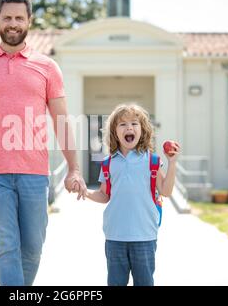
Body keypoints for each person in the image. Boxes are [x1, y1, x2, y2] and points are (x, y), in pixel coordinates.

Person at [0, 0, 87, 286]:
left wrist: (74, 167)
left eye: (19, 17)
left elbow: (61, 119)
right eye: (7, 18)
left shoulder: (47, 67)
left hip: (34, 172)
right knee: (7, 248)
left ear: (29, 21)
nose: (13, 23)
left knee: (32, 248)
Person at [74, 104, 180, 286]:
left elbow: (166, 191)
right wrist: (86, 192)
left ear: (143, 130)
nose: (129, 128)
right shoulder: (108, 163)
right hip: (115, 236)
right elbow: (104, 195)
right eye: (122, 124)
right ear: (115, 132)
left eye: (134, 123)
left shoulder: (152, 160)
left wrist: (172, 163)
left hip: (144, 236)